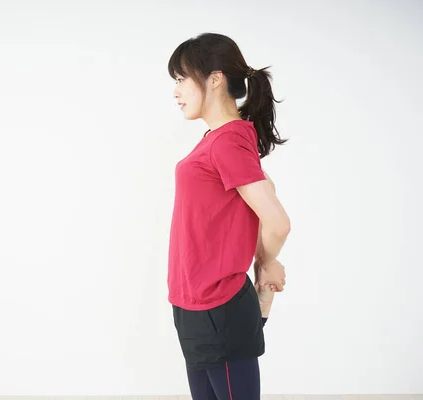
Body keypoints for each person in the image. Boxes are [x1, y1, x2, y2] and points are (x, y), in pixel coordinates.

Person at [167, 33, 291, 400]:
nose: (175, 92)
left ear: (215, 78)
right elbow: (248, 207)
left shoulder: (229, 140)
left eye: (181, 79)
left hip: (218, 305)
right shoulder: (216, 139)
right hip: (191, 300)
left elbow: (277, 220)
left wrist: (266, 262)